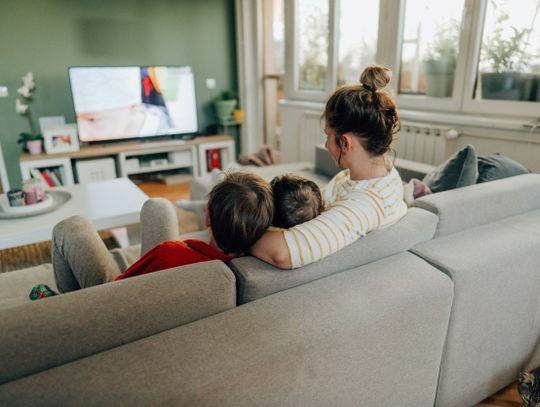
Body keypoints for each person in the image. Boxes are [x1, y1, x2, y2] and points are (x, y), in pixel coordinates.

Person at [251, 64, 408, 269]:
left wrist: (235, 230)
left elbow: (282, 254)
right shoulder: (383, 175)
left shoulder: (365, 204)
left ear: (345, 143)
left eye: (328, 136)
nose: (326, 145)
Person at [52, 172, 273, 293]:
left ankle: (68, 299)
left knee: (71, 228)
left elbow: (121, 287)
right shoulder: (259, 265)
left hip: (111, 299)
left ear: (207, 217)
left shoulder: (168, 254)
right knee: (159, 207)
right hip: (171, 276)